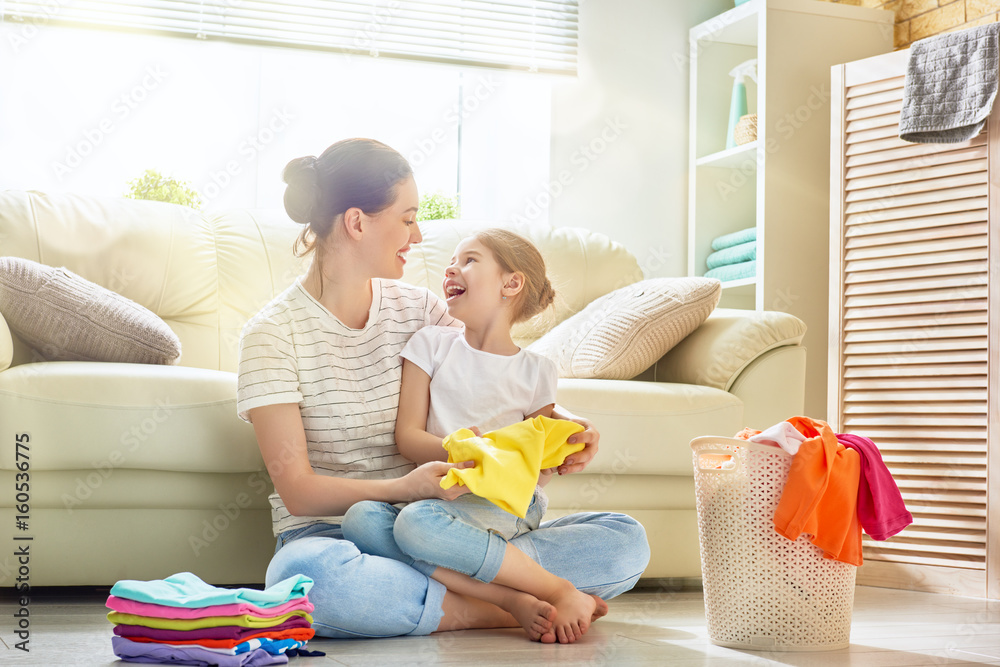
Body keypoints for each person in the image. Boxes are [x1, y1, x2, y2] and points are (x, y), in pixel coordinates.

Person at [237, 137, 650, 641]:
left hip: (448, 527)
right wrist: (403, 489)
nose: (418, 233)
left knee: (625, 541)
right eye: (408, 218)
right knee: (310, 583)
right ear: (357, 221)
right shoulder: (272, 335)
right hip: (340, 532)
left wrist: (563, 423)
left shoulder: (421, 310)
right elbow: (299, 492)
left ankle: (453, 594)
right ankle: (509, 603)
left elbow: (490, 374)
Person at [343, 228, 606, 644]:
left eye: (469, 259)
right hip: (442, 497)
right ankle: (514, 599)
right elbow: (408, 437)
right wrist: (464, 450)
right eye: (452, 260)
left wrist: (564, 446)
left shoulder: (537, 371)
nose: (452, 267)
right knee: (360, 518)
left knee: (414, 525)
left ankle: (549, 588)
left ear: (511, 283)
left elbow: (534, 457)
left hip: (504, 505)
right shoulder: (430, 344)